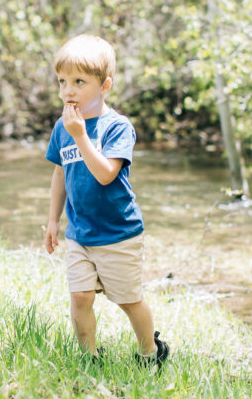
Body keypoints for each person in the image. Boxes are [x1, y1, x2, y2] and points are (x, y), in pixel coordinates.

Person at [44, 34, 169, 367]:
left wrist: (80, 135)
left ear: (105, 85)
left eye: (79, 81)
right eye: (62, 82)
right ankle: (89, 357)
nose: (68, 91)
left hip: (118, 233)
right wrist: (54, 220)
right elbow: (60, 174)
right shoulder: (63, 127)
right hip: (80, 233)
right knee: (80, 297)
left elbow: (105, 175)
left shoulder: (117, 128)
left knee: (128, 300)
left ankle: (149, 353)